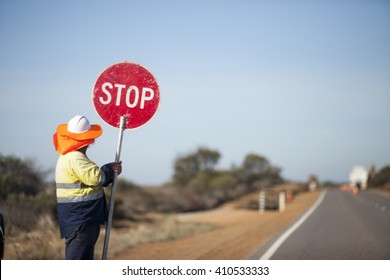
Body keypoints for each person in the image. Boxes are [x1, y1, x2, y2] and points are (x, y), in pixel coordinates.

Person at [53, 115, 122, 260]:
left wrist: (108, 174)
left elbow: (91, 182)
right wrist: (109, 169)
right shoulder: (76, 158)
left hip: (79, 220)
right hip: (81, 220)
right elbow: (97, 178)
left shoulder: (69, 157)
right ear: (88, 139)